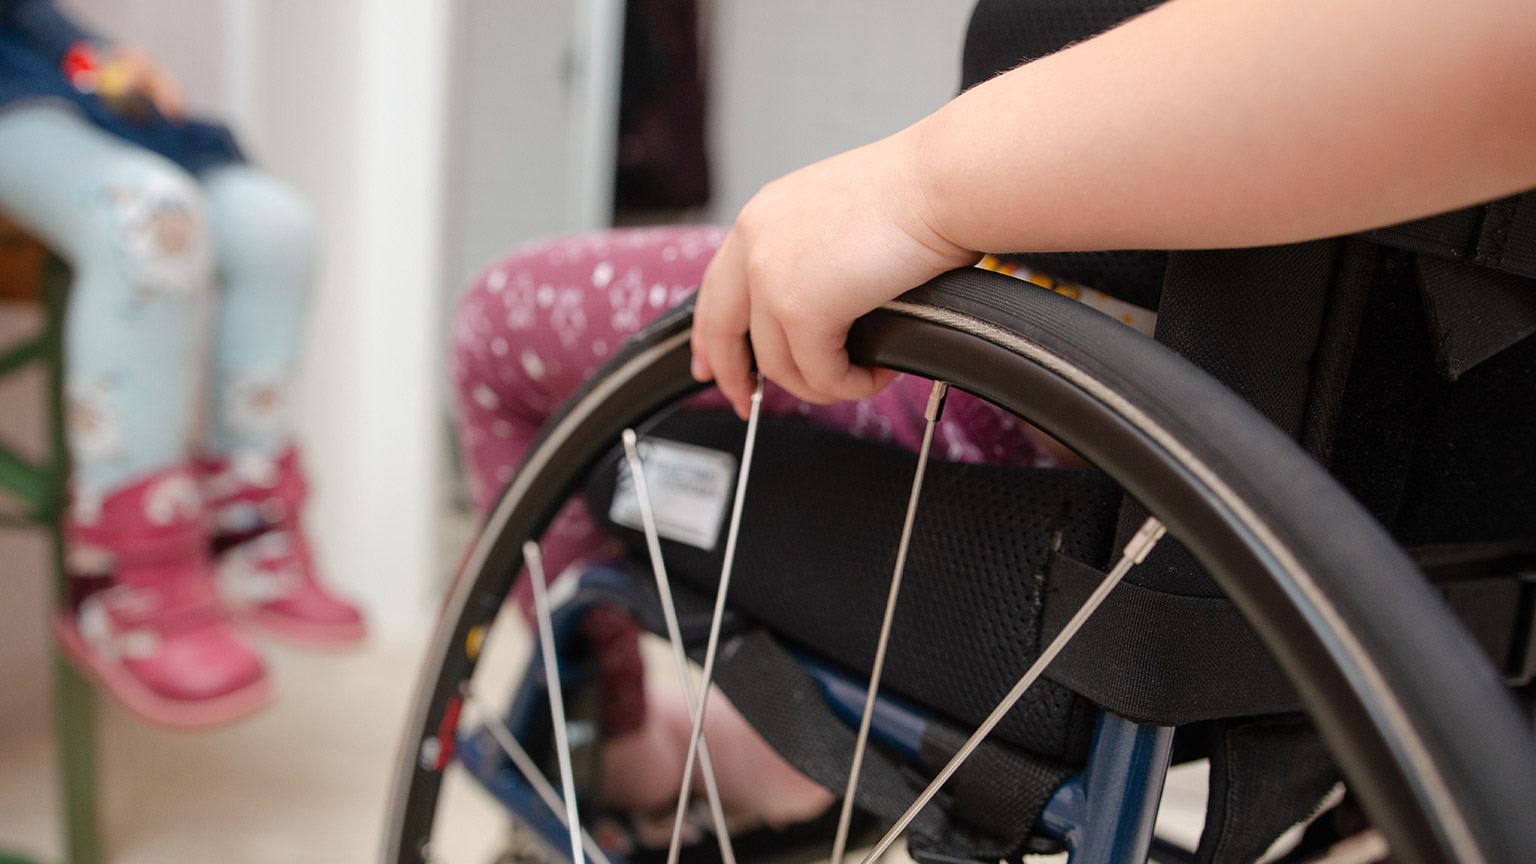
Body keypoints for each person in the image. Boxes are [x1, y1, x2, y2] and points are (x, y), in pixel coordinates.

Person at [454, 0, 1536, 838]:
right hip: (1444, 509)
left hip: (1100, 401)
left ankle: (634, 745)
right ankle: (741, 746)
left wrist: (916, 186)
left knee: (501, 328)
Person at [0, 0, 365, 728]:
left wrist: (93, 57)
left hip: (41, 66)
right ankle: (121, 579)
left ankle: (245, 520)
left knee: (277, 226)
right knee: (150, 220)